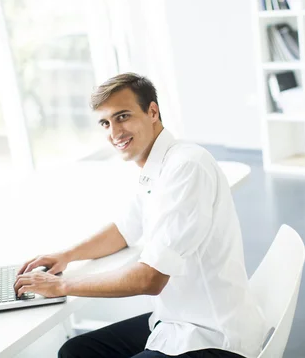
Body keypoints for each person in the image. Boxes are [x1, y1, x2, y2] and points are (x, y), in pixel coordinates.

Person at [14, 73, 268, 358]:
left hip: (214, 336)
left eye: (122, 116)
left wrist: (61, 285)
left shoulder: (186, 167)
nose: (114, 133)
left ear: (152, 112)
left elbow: (150, 279)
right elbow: (124, 230)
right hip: (175, 320)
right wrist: (67, 255)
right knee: (75, 352)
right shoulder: (157, 168)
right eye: (105, 123)